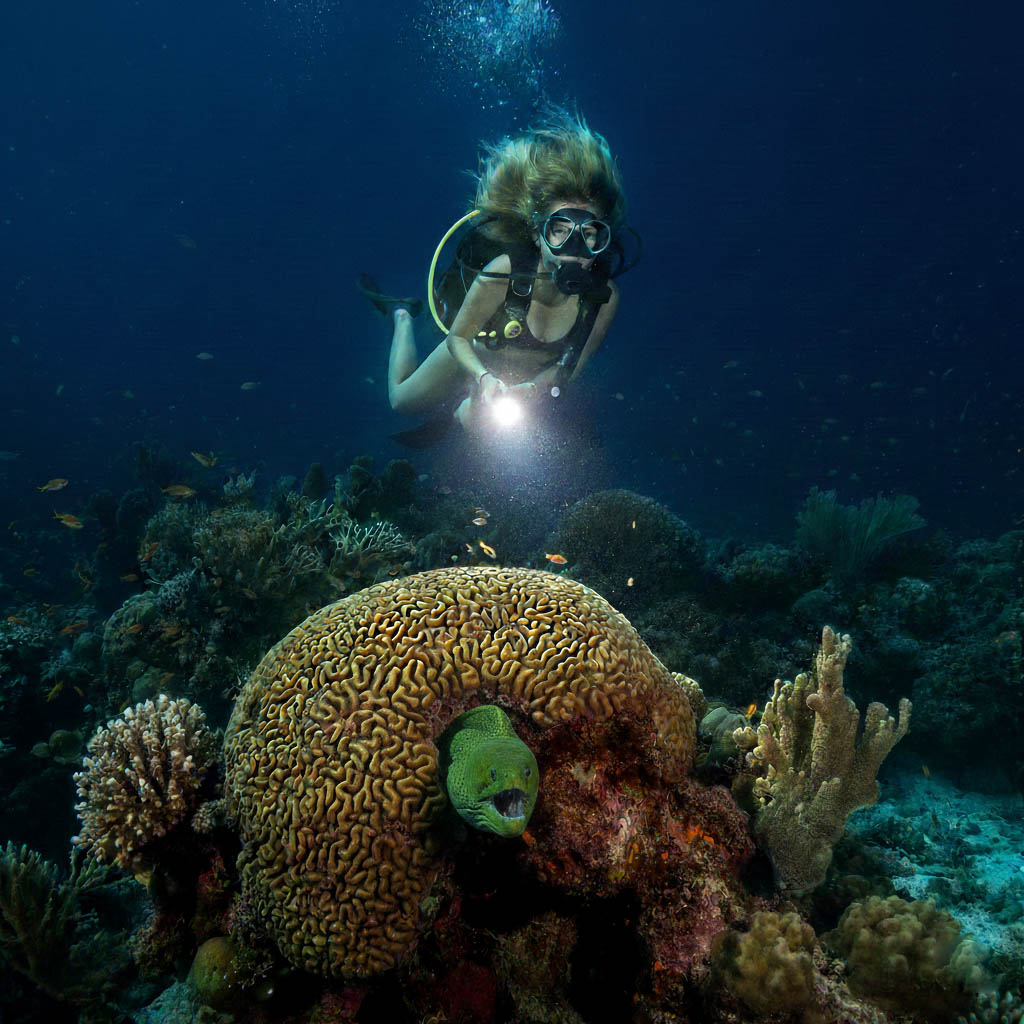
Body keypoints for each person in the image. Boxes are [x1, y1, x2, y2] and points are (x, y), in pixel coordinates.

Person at [360, 108, 630, 446]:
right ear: (537, 233)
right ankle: (401, 316)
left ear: (602, 239)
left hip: (525, 380)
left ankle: (466, 410)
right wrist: (483, 377)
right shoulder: (505, 271)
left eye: (589, 233)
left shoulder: (603, 298)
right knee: (401, 401)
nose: (573, 249)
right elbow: (458, 338)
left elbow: (572, 366)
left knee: (486, 430)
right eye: (559, 231)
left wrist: (532, 390)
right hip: (481, 351)